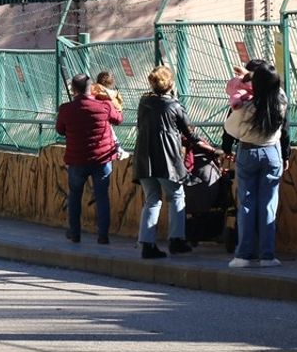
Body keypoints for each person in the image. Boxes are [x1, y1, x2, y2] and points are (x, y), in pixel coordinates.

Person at [132, 66, 201, 259]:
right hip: (167, 159)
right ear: (170, 84)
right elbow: (189, 133)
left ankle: (146, 243)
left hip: (144, 158)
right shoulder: (174, 106)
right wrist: (209, 147)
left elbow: (140, 125)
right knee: (177, 196)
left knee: (152, 199)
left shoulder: (144, 102)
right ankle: (176, 240)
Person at [223, 62, 288, 268]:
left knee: (247, 204)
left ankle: (244, 254)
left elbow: (230, 128)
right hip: (272, 152)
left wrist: (247, 78)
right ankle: (268, 255)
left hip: (249, 151)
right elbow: (274, 86)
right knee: (269, 205)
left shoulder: (246, 107)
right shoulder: (281, 102)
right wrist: (255, 76)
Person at [55, 74, 124, 246]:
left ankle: (75, 233)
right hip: (101, 159)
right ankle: (103, 236)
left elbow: (60, 130)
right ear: (91, 87)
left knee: (75, 196)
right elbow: (118, 119)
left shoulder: (66, 109)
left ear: (73, 89)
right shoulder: (104, 106)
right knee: (102, 197)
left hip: (77, 160)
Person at [91, 71, 129, 160]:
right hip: (104, 118)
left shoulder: (92, 89)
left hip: (93, 118)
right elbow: (117, 117)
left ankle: (118, 148)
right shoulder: (108, 94)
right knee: (110, 132)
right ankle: (118, 149)